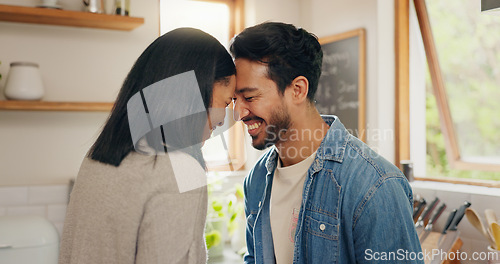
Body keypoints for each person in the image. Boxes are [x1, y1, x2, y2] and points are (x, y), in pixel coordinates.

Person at [230, 22, 423, 264]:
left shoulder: (375, 185)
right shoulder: (256, 179)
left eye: (249, 97)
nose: (238, 113)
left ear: (298, 90)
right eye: (234, 100)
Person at [59, 28, 236, 264]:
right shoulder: (180, 170)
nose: (223, 118)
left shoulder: (98, 157)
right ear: (193, 91)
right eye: (225, 102)